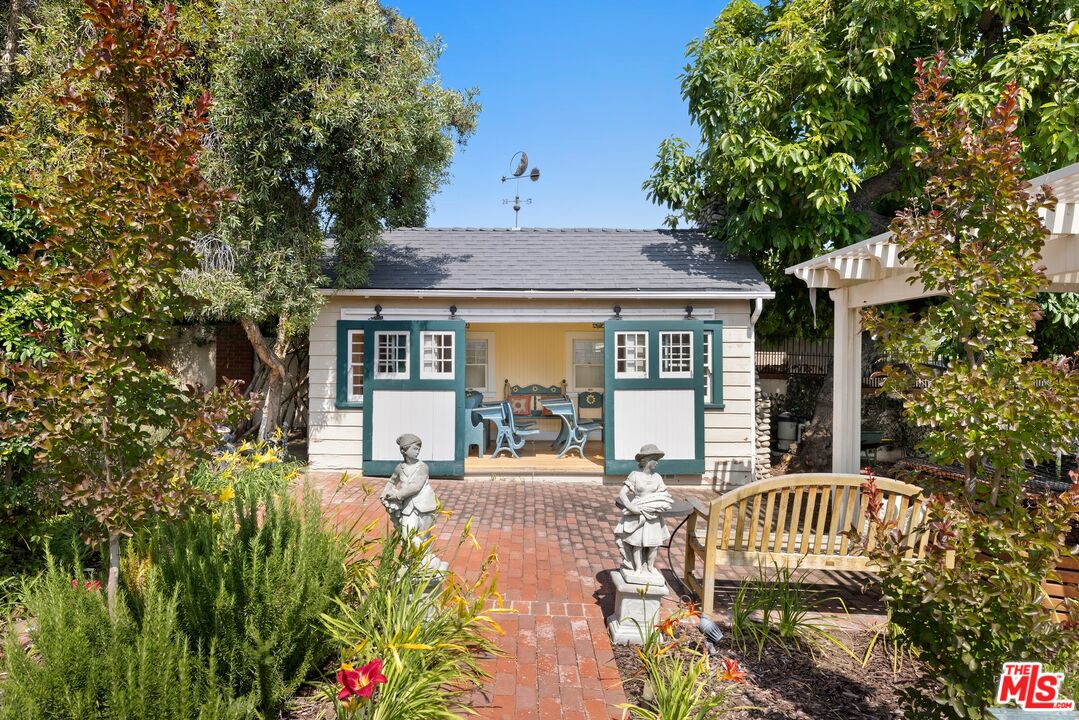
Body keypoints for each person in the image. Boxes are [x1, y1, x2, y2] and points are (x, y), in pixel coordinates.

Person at [615, 443, 674, 578]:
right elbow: (622, 493)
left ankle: (650, 566)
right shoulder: (635, 475)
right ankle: (637, 568)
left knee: (654, 544)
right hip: (638, 511)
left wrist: (658, 505)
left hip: (652, 513)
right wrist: (631, 507)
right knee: (637, 543)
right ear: (647, 460)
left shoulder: (657, 477)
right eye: (655, 460)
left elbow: (663, 494)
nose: (657, 464)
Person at [380, 433, 439, 547]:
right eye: (415, 449)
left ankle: (425, 560)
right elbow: (392, 481)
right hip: (408, 508)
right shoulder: (399, 468)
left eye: (419, 449)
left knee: (424, 536)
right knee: (407, 535)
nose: (418, 451)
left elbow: (415, 486)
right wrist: (384, 495)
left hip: (425, 506)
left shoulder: (423, 467)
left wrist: (397, 496)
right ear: (404, 450)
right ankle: (412, 560)